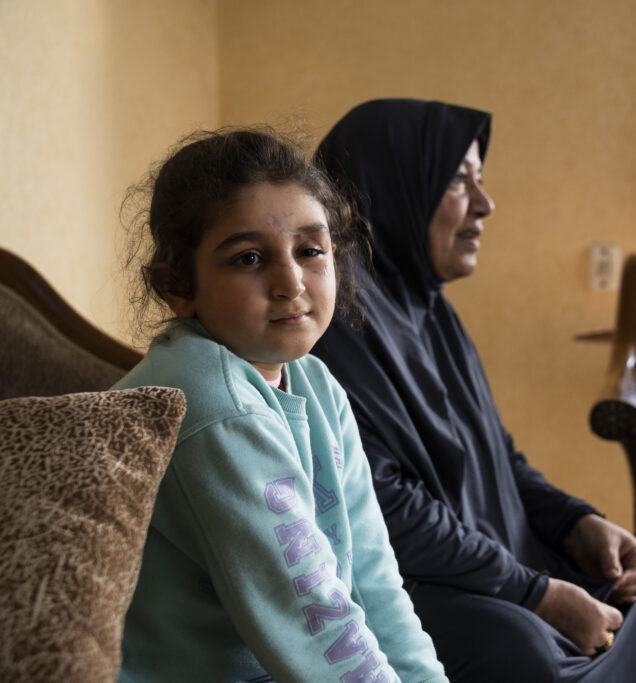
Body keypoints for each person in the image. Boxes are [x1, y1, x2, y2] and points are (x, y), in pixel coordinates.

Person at [310, 99, 636, 682]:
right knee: (520, 648)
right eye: (459, 180)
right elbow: (386, 509)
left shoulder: (431, 312)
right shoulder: (335, 325)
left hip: (480, 561)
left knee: (627, 587)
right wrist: (534, 592)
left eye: (479, 181)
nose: (486, 205)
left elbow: (497, 454)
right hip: (403, 576)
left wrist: (576, 522)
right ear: (394, 188)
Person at [113, 127, 448, 682]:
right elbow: (313, 616)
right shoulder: (207, 401)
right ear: (178, 285)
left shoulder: (317, 385)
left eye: (310, 251)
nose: (291, 281)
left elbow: (372, 578)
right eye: (248, 258)